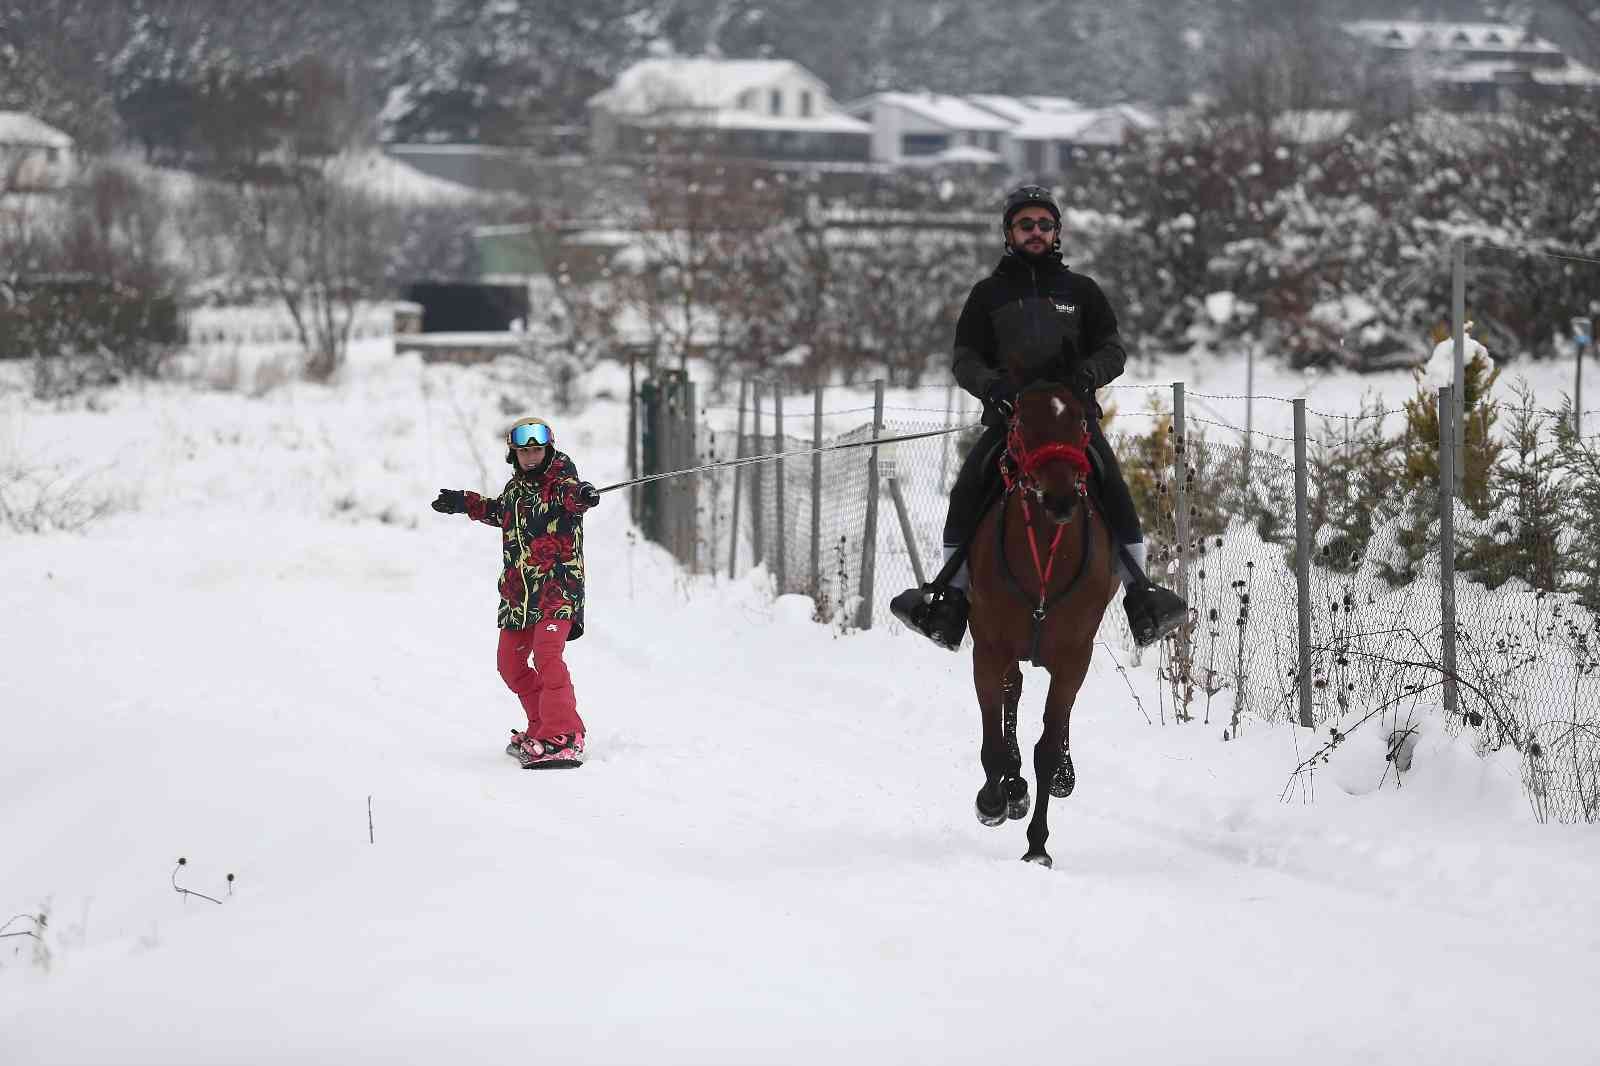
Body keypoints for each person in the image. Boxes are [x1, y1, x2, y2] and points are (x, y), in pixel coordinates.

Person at [891, 184, 1188, 651]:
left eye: (1044, 224)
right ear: (1009, 232)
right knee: (967, 492)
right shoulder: (987, 294)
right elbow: (965, 359)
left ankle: (1141, 595)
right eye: (1025, 224)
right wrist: (994, 389)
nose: (1036, 231)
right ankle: (950, 601)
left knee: (1115, 492)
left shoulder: (1082, 291)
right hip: (1010, 422)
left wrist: (1088, 374)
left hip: (1071, 422)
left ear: (1057, 231)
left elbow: (1113, 350)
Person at [431, 416, 603, 769]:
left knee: (547, 656)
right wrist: (466, 502)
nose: (531, 457)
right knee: (509, 665)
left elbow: (573, 498)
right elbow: (500, 512)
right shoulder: (515, 490)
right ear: (514, 454)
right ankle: (541, 727)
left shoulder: (561, 484)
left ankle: (565, 733)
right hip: (519, 596)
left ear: (548, 450)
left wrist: (584, 494)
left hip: (557, 590)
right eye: (524, 452)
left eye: (537, 450)